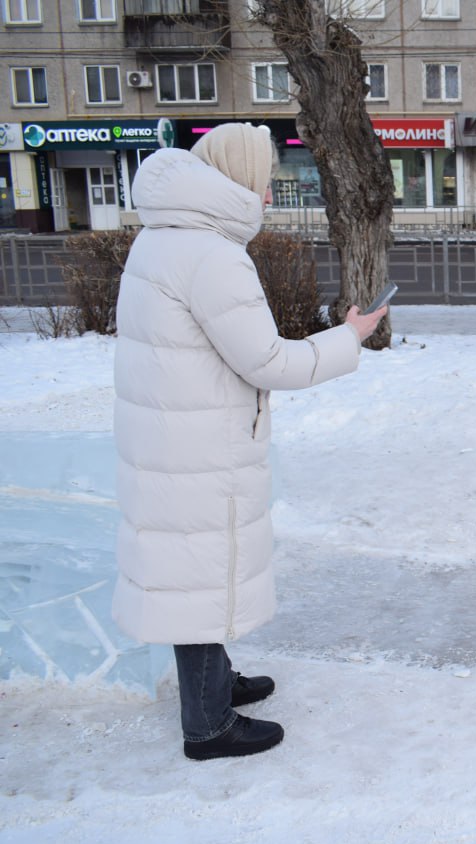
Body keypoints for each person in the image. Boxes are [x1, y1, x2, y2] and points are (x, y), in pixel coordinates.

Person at [111, 123, 387, 761]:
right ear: (236, 179)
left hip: (173, 437)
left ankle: (215, 683)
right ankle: (207, 726)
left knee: (193, 568)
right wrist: (348, 338)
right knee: (203, 571)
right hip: (197, 445)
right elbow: (268, 362)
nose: (267, 197)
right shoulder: (210, 253)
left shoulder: (163, 239)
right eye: (263, 182)